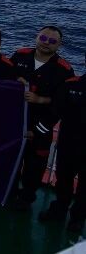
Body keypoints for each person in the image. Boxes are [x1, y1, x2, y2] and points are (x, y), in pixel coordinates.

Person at [11, 26, 75, 209]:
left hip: (40, 127)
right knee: (10, 161)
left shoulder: (64, 70)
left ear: (59, 45)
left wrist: (40, 101)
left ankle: (26, 199)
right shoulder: (20, 56)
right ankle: (9, 192)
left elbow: (61, 105)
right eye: (44, 38)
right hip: (14, 123)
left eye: (52, 41)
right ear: (37, 37)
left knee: (34, 167)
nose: (47, 43)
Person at [43, 57, 86, 231]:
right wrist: (40, 129)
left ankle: (78, 217)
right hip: (69, 143)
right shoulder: (71, 84)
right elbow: (56, 110)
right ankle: (59, 209)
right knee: (63, 179)